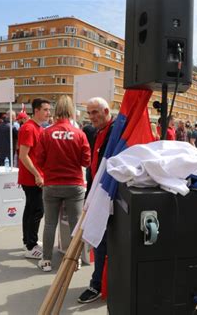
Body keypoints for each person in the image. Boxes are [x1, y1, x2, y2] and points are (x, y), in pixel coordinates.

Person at [36, 95, 90, 272]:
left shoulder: (46, 133)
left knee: (50, 223)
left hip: (51, 184)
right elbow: (86, 161)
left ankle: (46, 260)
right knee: (76, 224)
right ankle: (76, 260)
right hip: (74, 185)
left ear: (56, 110)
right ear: (72, 111)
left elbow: (39, 159)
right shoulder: (79, 134)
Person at [78, 97, 114, 304]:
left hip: (109, 196)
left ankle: (97, 284)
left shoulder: (115, 130)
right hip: (96, 193)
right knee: (99, 241)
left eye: (95, 112)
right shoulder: (97, 131)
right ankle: (99, 282)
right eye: (89, 113)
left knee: (102, 241)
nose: (91, 117)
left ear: (106, 110)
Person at [18, 98, 51, 259]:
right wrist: (37, 174)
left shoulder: (37, 128)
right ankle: (31, 245)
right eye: (45, 110)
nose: (48, 113)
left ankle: (29, 241)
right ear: (36, 110)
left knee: (31, 209)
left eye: (49, 110)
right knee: (37, 210)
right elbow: (23, 155)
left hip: (34, 177)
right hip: (32, 178)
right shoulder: (29, 128)